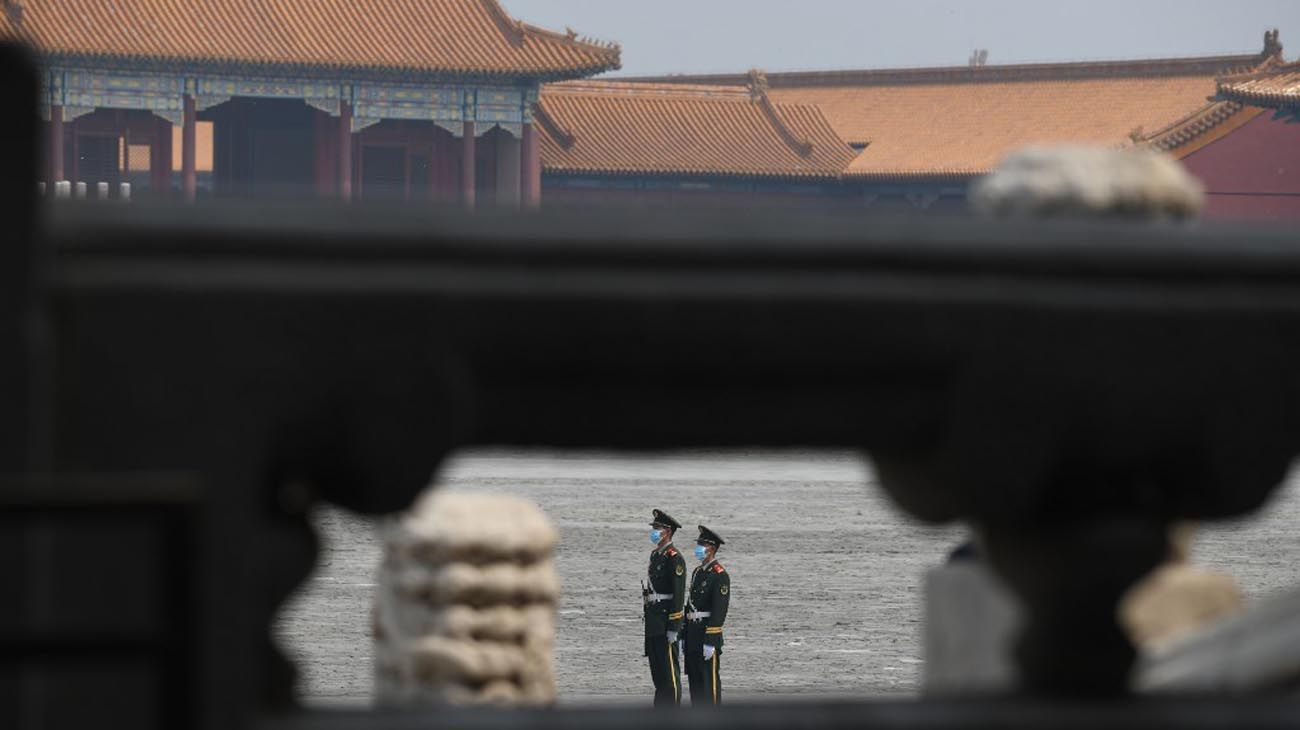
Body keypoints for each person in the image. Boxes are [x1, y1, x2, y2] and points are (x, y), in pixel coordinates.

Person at [643, 509, 687, 707]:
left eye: (657, 528)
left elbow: (678, 595)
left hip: (665, 620)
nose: (654, 531)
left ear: (667, 531)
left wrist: (674, 626)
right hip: (653, 621)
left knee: (670, 675)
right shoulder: (656, 555)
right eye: (654, 528)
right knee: (658, 674)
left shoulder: (674, 557)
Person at [685, 525, 729, 706]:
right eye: (699, 544)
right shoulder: (698, 572)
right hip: (693, 634)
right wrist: (683, 634)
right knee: (695, 684)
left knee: (708, 684)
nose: (699, 548)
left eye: (703, 545)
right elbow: (690, 604)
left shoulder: (719, 575)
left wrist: (711, 640)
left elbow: (719, 610)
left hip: (706, 634)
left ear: (712, 549)